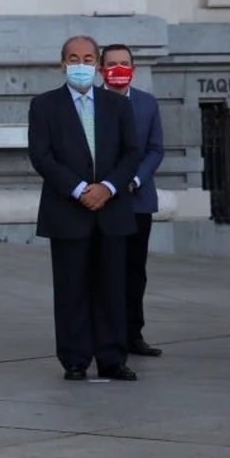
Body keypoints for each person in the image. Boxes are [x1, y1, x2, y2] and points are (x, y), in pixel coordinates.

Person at [27, 35, 143, 383]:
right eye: (74, 58)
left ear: (97, 64)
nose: (81, 64)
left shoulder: (118, 105)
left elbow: (132, 152)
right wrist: (79, 190)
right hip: (68, 210)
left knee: (112, 288)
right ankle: (75, 359)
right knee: (71, 288)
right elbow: (41, 156)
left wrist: (107, 187)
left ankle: (112, 357)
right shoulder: (45, 105)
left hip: (111, 209)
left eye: (88, 58)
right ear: (63, 64)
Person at [100, 44, 166, 358]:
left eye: (124, 63)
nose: (118, 68)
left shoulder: (147, 104)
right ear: (101, 70)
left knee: (134, 270)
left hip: (137, 200)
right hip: (100, 200)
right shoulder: (92, 102)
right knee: (103, 270)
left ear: (134, 69)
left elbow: (155, 149)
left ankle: (132, 333)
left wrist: (134, 180)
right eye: (112, 64)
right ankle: (103, 332)